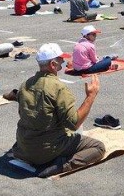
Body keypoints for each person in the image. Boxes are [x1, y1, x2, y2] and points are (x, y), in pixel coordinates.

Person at [13, 43, 104, 178]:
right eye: (60, 62)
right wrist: (91, 96)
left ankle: (45, 154)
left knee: (71, 129)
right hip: (46, 151)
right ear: (53, 64)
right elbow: (74, 123)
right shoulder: (58, 87)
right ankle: (61, 165)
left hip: (23, 147)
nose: (63, 63)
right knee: (98, 147)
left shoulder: (25, 84)